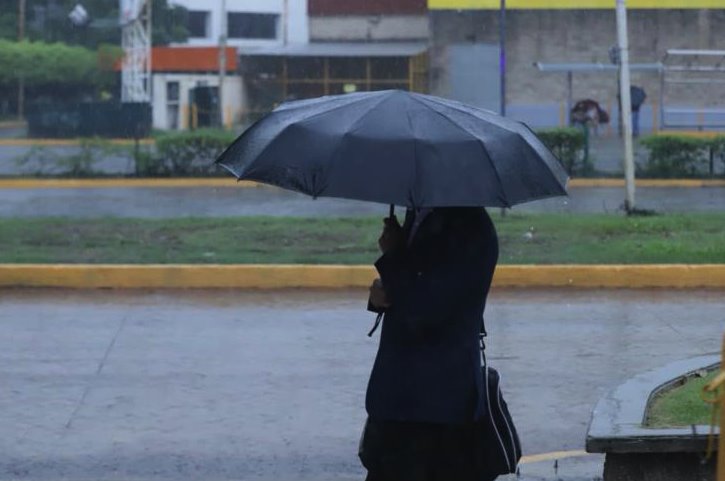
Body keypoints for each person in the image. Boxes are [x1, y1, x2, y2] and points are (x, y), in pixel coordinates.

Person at [360, 206, 499, 481]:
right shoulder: (424, 216)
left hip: (433, 407)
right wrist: (380, 294)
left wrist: (393, 255)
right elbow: (413, 284)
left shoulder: (467, 226)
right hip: (404, 400)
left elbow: (428, 310)